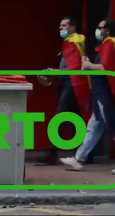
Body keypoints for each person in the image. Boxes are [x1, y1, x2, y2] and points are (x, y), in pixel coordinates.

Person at [60, 18, 115, 174]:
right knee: (94, 127)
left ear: (108, 31)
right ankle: (79, 158)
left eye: (100, 27)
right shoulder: (107, 44)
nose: (98, 30)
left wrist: (89, 66)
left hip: (107, 93)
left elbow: (107, 69)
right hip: (100, 92)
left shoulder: (113, 43)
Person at [36, 17, 91, 166]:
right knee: (76, 120)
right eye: (60, 25)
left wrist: (56, 71)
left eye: (64, 25)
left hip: (71, 84)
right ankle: (86, 153)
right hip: (71, 83)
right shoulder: (71, 42)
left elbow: (73, 69)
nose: (61, 28)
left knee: (60, 118)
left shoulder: (74, 42)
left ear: (72, 28)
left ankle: (51, 153)